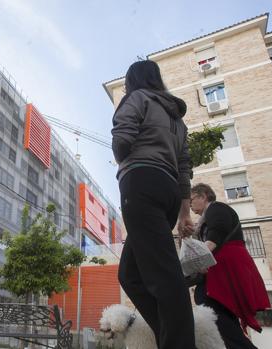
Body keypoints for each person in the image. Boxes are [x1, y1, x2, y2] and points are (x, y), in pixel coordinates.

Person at [112, 59, 196, 349]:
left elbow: (122, 138)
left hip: (141, 183)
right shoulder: (177, 119)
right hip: (170, 192)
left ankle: (180, 343)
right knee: (130, 274)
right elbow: (184, 167)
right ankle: (166, 336)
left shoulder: (136, 98)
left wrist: (123, 157)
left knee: (164, 275)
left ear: (133, 81)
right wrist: (184, 212)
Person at [189, 183, 270, 349]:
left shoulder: (216, 208)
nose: (189, 205)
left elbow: (215, 236)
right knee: (220, 312)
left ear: (203, 196)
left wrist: (195, 262)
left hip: (226, 265)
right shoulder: (206, 218)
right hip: (222, 267)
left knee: (207, 301)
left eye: (191, 200)